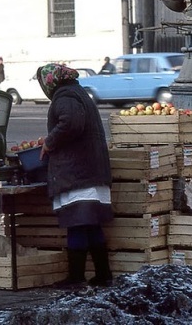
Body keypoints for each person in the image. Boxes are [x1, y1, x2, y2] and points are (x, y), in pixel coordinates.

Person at [36, 63, 114, 287]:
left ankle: (77, 278)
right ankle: (103, 275)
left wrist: (50, 142)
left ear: (50, 81)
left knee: (78, 223)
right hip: (90, 170)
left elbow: (70, 123)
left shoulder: (65, 96)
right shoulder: (78, 92)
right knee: (91, 224)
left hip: (78, 172)